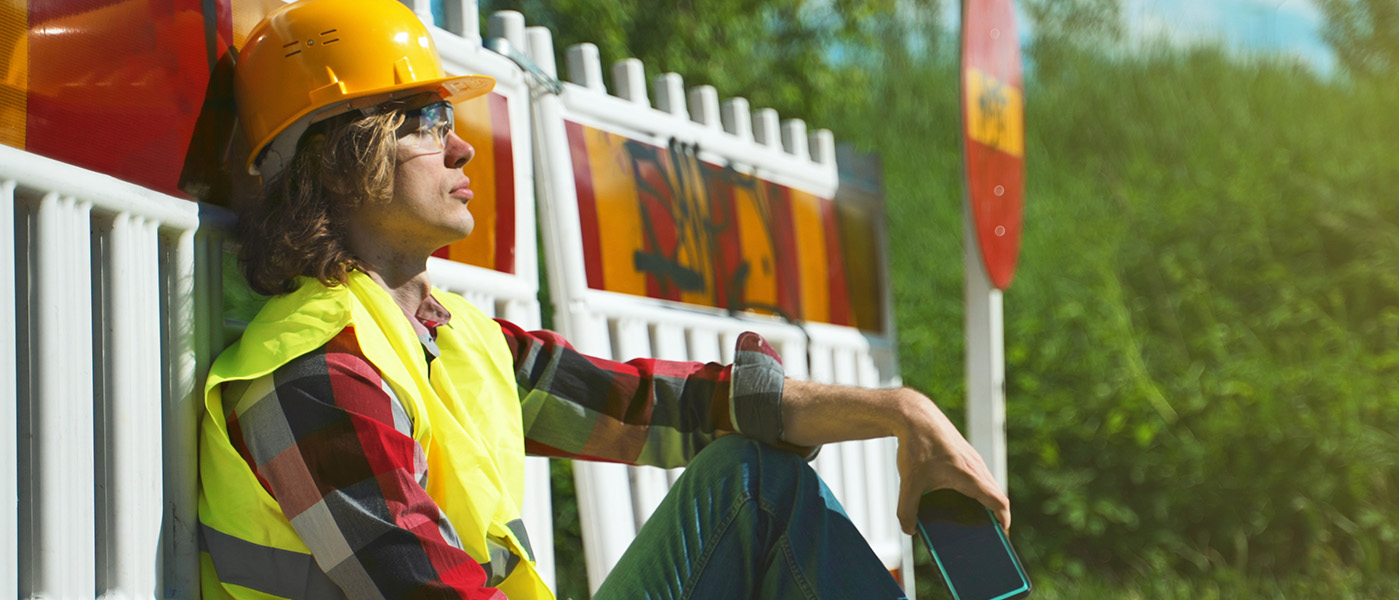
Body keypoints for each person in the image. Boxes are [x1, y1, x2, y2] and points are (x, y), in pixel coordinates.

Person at [195, 0, 1009, 598]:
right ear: (336, 154)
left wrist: (902, 411)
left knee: (753, 478)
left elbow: (666, 407)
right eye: (425, 117)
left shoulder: (447, 339)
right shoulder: (311, 373)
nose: (461, 141)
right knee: (755, 490)